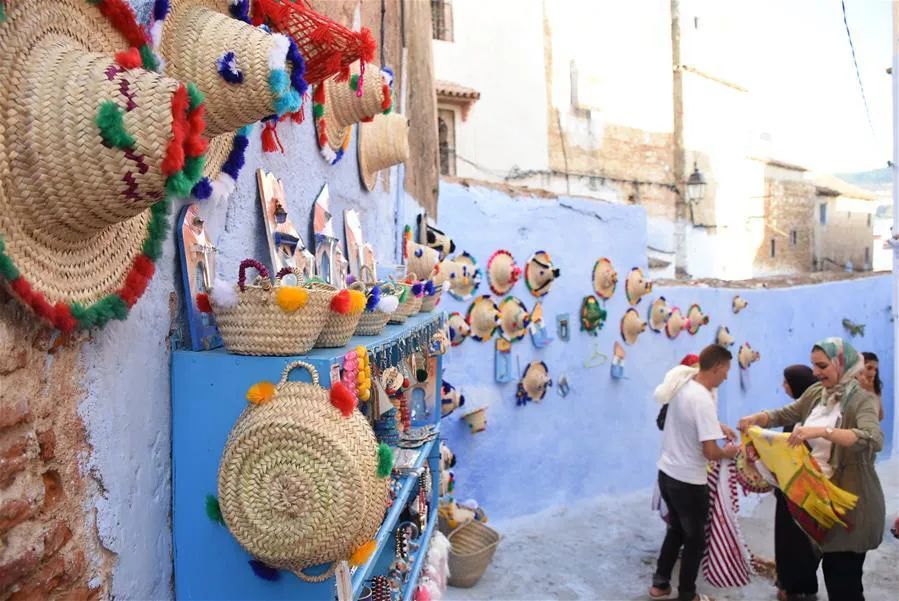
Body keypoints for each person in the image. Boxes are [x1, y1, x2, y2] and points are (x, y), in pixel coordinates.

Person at [738, 338, 884, 601]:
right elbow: (786, 413)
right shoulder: (818, 393)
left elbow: (873, 439)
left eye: (822, 366)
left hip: (850, 504)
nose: (815, 372)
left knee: (843, 582)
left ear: (842, 364)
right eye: (813, 365)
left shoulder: (861, 400)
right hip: (820, 501)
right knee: (827, 571)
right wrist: (758, 418)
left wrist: (823, 431)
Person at [649, 345, 738, 601]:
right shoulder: (703, 400)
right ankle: (688, 594)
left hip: (667, 473)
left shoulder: (683, 385)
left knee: (676, 530)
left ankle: (660, 584)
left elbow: (689, 420)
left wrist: (718, 426)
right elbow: (710, 451)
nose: (727, 377)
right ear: (717, 367)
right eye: (726, 370)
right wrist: (728, 453)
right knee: (695, 539)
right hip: (689, 481)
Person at [773, 365, 819, 601]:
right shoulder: (807, 410)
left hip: (795, 487)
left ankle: (790, 586)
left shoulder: (804, 416)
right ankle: (803, 585)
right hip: (801, 487)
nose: (783, 386)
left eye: (786, 382)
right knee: (801, 539)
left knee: (790, 539)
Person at [858, 352, 884, 421]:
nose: (873, 373)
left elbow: (880, 416)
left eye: (875, 369)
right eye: (869, 368)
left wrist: (871, 391)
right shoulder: (849, 387)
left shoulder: (874, 388)